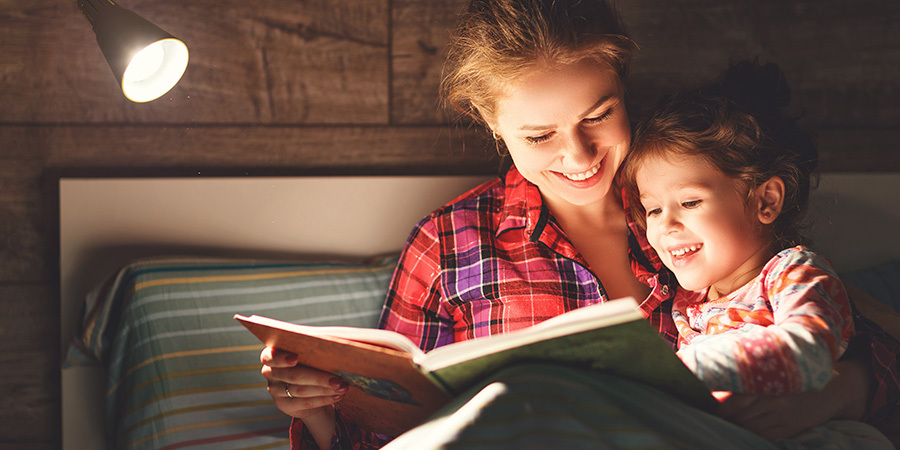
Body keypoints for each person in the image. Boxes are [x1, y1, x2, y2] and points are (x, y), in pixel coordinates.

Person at [260, 1, 900, 449]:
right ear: (493, 125)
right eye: (540, 135)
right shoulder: (449, 245)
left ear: (625, 88)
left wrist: (831, 396)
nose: (580, 154)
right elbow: (382, 433)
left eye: (600, 114)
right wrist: (316, 409)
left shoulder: (688, 205)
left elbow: (849, 334)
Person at [619, 60, 894, 447]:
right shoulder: (687, 302)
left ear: (766, 200)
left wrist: (686, 371)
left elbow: (809, 352)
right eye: (653, 209)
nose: (666, 225)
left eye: (691, 202)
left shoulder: (794, 273)